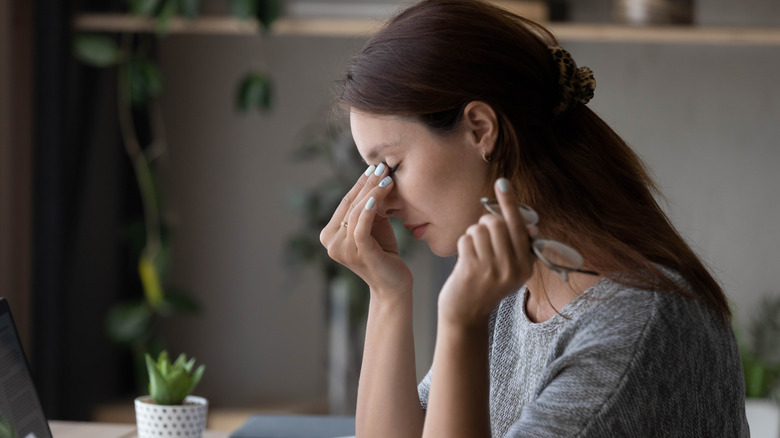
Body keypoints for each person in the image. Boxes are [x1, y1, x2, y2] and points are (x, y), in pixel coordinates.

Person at [319, 0, 749, 436]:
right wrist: (388, 293)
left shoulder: (638, 327)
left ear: (480, 130)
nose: (384, 201)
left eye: (390, 166)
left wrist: (460, 324)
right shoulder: (508, 291)